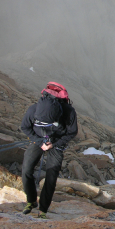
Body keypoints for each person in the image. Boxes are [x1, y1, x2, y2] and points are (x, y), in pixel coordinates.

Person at [20, 82, 78, 219]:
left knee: (51, 175)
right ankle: (31, 201)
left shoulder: (68, 112)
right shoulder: (33, 110)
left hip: (56, 142)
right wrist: (40, 142)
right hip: (39, 139)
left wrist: (55, 143)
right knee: (26, 169)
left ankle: (43, 209)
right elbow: (25, 127)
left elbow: (72, 132)